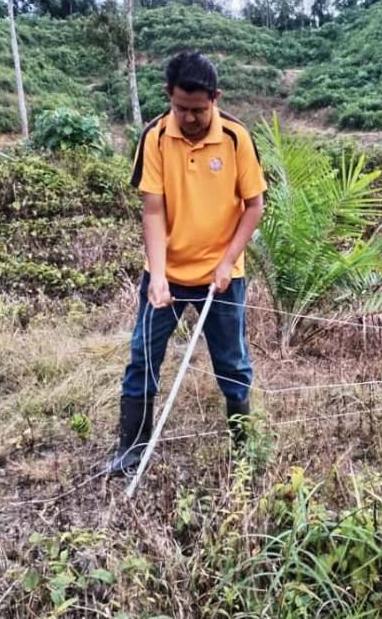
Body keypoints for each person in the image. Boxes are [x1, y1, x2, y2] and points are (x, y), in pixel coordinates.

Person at [107, 50, 267, 476]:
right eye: (181, 108)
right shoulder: (155, 137)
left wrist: (227, 261)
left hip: (222, 277)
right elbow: (153, 210)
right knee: (143, 356)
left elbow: (254, 206)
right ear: (169, 97)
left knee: (232, 362)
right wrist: (157, 276)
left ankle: (242, 449)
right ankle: (131, 448)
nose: (190, 118)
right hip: (167, 275)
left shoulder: (236, 138)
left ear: (216, 98)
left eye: (198, 109)